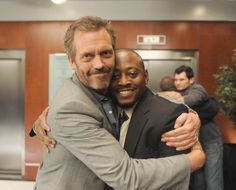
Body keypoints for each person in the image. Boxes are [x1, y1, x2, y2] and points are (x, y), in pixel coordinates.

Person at [33, 16, 204, 190]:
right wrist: (193, 160)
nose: (99, 64)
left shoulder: (102, 86)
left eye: (105, 53)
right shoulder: (71, 108)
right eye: (87, 56)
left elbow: (146, 96)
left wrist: (190, 113)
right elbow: (126, 177)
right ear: (71, 61)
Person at [162, 65, 223, 190]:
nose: (178, 83)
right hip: (194, 144)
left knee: (213, 180)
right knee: (197, 182)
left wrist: (173, 98)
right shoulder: (177, 93)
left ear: (191, 80)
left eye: (181, 79)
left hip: (210, 141)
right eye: (176, 80)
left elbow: (195, 98)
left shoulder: (197, 88)